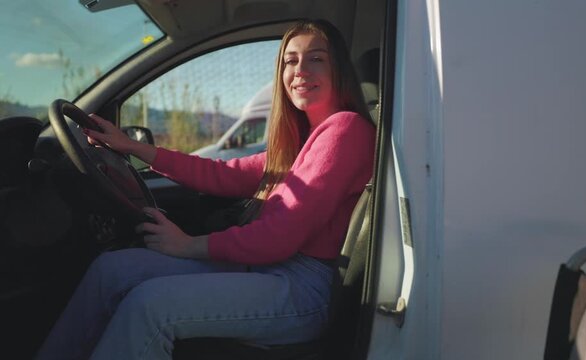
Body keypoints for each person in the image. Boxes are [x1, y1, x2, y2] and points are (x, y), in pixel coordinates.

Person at [36, 19, 375, 360]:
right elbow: (221, 173)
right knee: (111, 271)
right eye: (290, 61)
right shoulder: (302, 142)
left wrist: (188, 245)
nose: (300, 70)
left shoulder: (346, 130)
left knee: (150, 306)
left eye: (316, 58)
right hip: (268, 269)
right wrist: (133, 147)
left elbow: (279, 237)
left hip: (301, 290)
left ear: (339, 70)